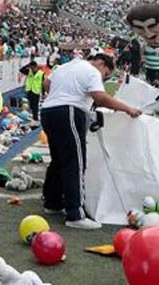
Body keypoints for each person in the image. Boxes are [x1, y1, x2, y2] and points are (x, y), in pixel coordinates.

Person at [40, 54, 141, 230]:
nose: (104, 77)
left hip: (48, 111)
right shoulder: (91, 71)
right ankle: (75, 214)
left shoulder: (64, 67)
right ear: (101, 64)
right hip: (69, 111)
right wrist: (127, 108)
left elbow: (46, 85)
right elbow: (99, 97)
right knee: (75, 162)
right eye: (106, 74)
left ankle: (53, 203)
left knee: (58, 159)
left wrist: (63, 93)